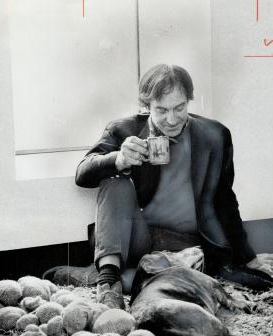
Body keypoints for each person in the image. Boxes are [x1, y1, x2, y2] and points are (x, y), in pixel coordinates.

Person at [75, 64, 273, 308]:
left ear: (189, 101)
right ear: (147, 107)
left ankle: (97, 276)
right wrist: (119, 159)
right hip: (139, 236)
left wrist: (249, 257)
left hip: (188, 243)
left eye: (179, 108)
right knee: (115, 181)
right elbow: (82, 173)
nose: (171, 119)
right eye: (162, 110)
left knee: (147, 284)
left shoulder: (215, 135)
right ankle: (107, 283)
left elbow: (225, 198)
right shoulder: (123, 130)